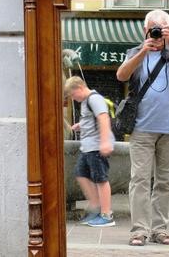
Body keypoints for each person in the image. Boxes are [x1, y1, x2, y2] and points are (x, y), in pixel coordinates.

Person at [116, 9, 169, 246]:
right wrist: (144, 50)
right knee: (139, 180)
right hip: (142, 128)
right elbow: (121, 75)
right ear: (145, 30)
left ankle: (160, 230)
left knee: (164, 182)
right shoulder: (135, 52)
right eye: (153, 29)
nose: (157, 33)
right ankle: (139, 231)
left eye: (161, 29)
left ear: (168, 30)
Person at [64, 76, 116, 227]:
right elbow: (93, 118)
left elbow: (103, 118)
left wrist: (105, 142)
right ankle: (96, 207)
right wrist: (81, 124)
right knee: (81, 174)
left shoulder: (94, 99)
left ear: (79, 87)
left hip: (96, 145)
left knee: (101, 179)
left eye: (73, 95)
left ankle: (106, 215)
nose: (74, 99)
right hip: (88, 147)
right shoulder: (87, 101)